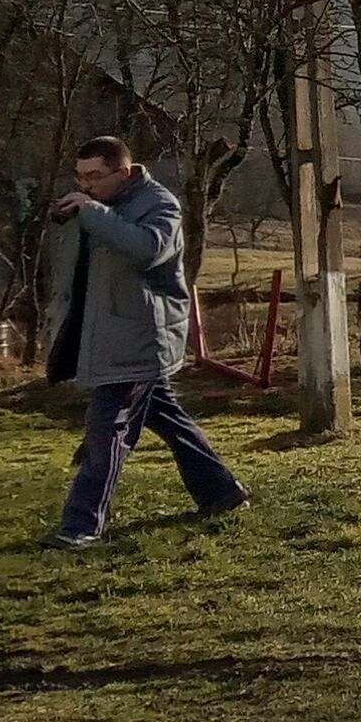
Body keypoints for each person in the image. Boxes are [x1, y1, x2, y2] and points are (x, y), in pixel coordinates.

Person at [43, 135, 248, 547]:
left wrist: (93, 213)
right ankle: (221, 491)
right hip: (110, 336)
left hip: (140, 339)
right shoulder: (98, 205)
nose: (86, 185)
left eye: (95, 176)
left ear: (124, 171)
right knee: (168, 418)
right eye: (80, 177)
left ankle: (81, 526)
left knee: (106, 431)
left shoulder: (160, 204)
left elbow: (147, 249)